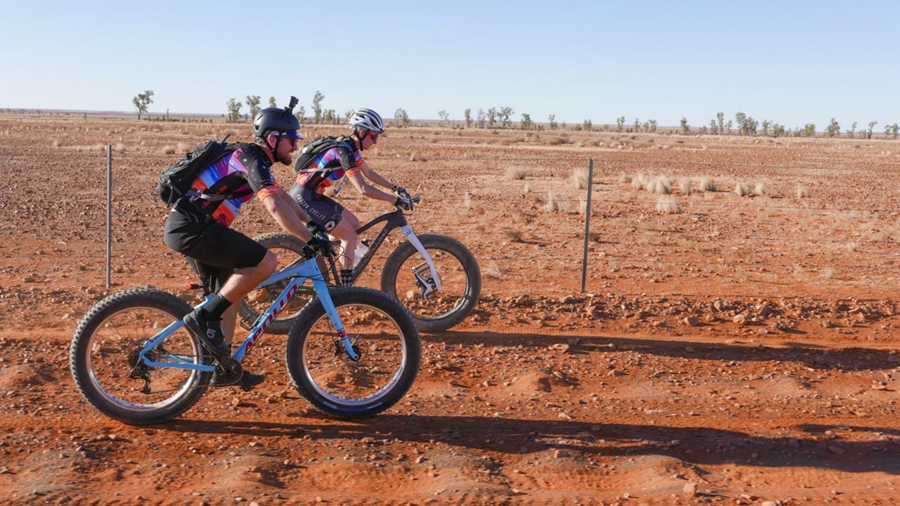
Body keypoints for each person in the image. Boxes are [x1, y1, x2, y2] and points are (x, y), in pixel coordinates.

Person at [163, 101, 330, 388]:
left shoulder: (257, 161)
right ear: (273, 138)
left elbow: (288, 201)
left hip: (195, 228)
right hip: (193, 228)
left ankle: (223, 366)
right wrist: (308, 239)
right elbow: (275, 207)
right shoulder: (250, 158)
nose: (294, 147)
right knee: (266, 262)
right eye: (291, 140)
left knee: (228, 294)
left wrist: (317, 225)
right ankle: (202, 320)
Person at [288, 108, 411, 286]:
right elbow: (363, 189)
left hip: (312, 195)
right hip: (304, 198)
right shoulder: (343, 151)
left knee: (353, 223)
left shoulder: (350, 148)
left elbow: (369, 173)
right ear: (361, 133)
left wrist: (395, 188)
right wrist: (395, 200)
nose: (375, 142)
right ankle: (344, 286)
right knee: (349, 237)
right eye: (373, 136)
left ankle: (334, 264)